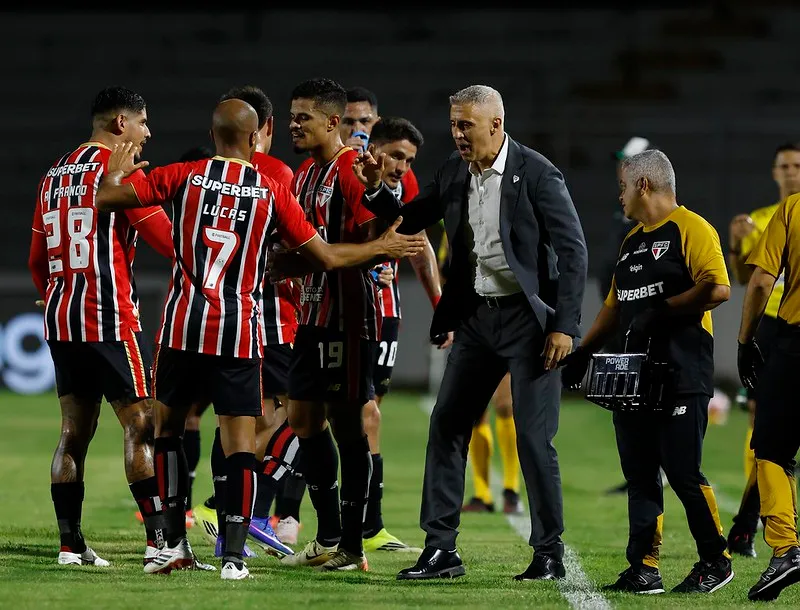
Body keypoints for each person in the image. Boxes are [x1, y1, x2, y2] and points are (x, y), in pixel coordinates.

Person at [94, 98, 424, 579]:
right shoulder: (271, 189)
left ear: (212, 136)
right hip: (238, 331)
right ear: (254, 139)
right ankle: (232, 557)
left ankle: (172, 546)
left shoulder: (182, 175)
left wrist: (116, 174)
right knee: (242, 444)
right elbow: (327, 256)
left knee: (166, 433)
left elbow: (108, 198)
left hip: (183, 326)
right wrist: (382, 247)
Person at [353, 84, 588, 581]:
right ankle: (441, 550)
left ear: (496, 125)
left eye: (467, 125)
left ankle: (548, 551)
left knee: (532, 437)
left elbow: (574, 252)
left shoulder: (539, 174)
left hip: (529, 324)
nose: (457, 134)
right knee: (447, 426)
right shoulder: (455, 170)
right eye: (454, 124)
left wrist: (565, 326)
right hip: (478, 319)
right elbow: (413, 218)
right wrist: (377, 190)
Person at [561, 149, 733, 594]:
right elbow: (615, 307)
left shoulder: (691, 228)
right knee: (639, 474)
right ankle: (644, 567)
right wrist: (583, 353)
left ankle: (717, 559)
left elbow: (718, 287)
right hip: (636, 378)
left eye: (622, 187)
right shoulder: (632, 240)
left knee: (682, 471)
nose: (618, 196)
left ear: (642, 185)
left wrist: (665, 310)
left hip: (683, 371)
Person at [28, 86, 173, 569]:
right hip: (109, 317)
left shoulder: (53, 175)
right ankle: (159, 543)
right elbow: (169, 241)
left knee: (73, 431)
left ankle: (70, 545)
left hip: (61, 318)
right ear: (119, 124)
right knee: (141, 426)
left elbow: (36, 259)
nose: (148, 132)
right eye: (142, 122)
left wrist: (54, 292)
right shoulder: (118, 175)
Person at [275, 78, 408, 572]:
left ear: (332, 122)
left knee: (349, 428)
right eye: (291, 116)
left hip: (349, 319)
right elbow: (309, 248)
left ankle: (351, 546)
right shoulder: (307, 174)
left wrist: (378, 188)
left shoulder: (352, 168)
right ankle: (330, 535)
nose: (293, 124)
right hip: (312, 315)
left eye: (302, 117)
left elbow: (392, 221)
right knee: (303, 420)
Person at [357, 117, 444, 553]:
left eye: (408, 161)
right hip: (344, 311)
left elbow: (418, 238)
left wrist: (440, 305)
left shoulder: (399, 189)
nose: (401, 167)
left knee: (368, 412)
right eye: (395, 156)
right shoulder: (342, 176)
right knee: (311, 414)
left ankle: (365, 526)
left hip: (381, 311)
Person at [725, 142, 800, 558]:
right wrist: (737, 245)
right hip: (772, 327)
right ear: (774, 173)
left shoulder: (789, 215)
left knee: (773, 437)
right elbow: (744, 277)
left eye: (796, 165)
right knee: (764, 427)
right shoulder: (758, 220)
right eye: (784, 166)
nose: (791, 172)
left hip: (787, 331)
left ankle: (750, 526)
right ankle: (753, 525)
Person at [737, 191, 800, 601]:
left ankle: (786, 549)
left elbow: (761, 280)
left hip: (796, 345)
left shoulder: (792, 208)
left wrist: (745, 341)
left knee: (771, 451)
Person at [462, 373, 523, 515]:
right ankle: (482, 494)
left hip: (506, 351)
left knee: (505, 405)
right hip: (476, 351)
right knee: (476, 411)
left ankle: (511, 489)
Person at [340, 86, 381, 152]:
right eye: (348, 122)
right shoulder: (321, 160)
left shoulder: (392, 158)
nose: (357, 130)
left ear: (378, 124)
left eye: (365, 121)